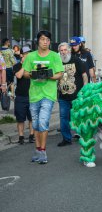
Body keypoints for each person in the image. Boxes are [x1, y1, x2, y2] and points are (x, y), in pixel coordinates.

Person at [22, 30, 64, 164]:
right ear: (38, 41)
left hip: (48, 94)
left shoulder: (54, 56)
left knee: (42, 121)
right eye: (42, 39)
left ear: (49, 42)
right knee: (35, 124)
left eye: (47, 40)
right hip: (34, 94)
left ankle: (43, 151)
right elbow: (25, 73)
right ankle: (38, 149)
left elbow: (60, 74)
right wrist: (34, 74)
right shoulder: (30, 56)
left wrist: (48, 75)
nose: (45, 42)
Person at [57, 42, 88, 147]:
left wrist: (85, 89)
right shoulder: (57, 62)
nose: (63, 52)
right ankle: (66, 139)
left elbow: (84, 75)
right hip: (63, 96)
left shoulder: (76, 60)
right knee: (64, 117)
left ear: (69, 50)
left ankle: (83, 135)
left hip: (76, 96)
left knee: (78, 117)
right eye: (61, 50)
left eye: (65, 50)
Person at [13, 46, 34, 144]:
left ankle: (31, 135)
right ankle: (21, 137)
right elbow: (18, 75)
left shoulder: (33, 65)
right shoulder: (17, 66)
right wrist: (24, 64)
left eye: (29, 53)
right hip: (20, 96)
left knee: (32, 118)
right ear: (21, 55)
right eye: (26, 54)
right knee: (20, 119)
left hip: (32, 95)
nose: (28, 55)